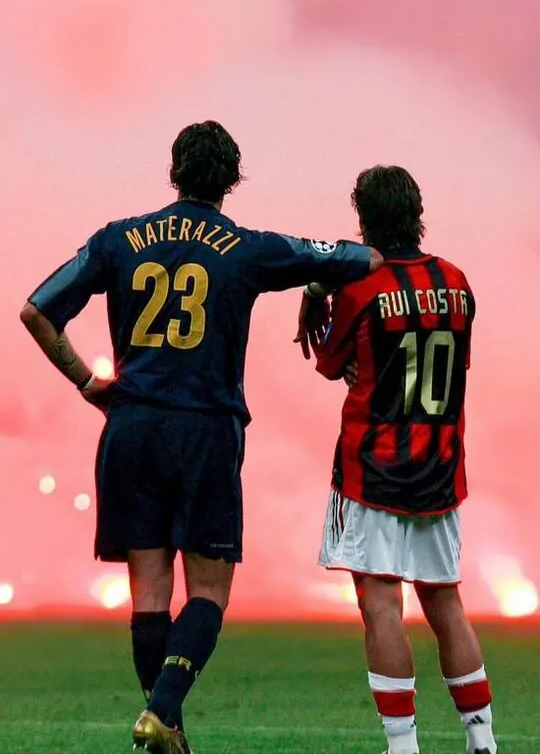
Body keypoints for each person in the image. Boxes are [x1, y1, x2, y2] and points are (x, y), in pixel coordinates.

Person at [20, 120, 382, 754]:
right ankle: (162, 713)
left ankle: (169, 731)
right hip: (206, 432)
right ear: (232, 180)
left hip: (132, 428)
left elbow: (36, 310)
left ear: (173, 171)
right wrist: (315, 288)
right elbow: (361, 259)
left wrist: (87, 382)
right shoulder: (248, 248)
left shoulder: (118, 239)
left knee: (150, 594)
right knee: (209, 591)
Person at [297, 165, 497, 754]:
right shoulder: (456, 281)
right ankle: (482, 741)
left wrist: (317, 297)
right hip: (440, 469)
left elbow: (329, 362)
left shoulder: (360, 288)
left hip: (373, 469)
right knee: (444, 599)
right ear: (417, 212)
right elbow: (454, 366)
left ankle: (403, 746)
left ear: (363, 219)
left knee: (381, 602)